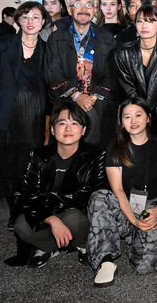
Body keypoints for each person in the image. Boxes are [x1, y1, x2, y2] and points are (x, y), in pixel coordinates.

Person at [9, 100, 106, 268]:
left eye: (74, 123)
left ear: (83, 130)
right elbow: (24, 195)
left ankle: (81, 243)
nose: (68, 129)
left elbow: (88, 196)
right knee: (21, 226)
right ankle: (50, 246)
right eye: (62, 123)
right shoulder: (38, 156)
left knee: (73, 219)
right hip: (47, 214)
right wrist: (51, 219)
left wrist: (48, 200)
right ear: (53, 130)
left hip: (77, 214)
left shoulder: (95, 155)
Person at [86, 98, 157, 287]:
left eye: (138, 115)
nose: (133, 121)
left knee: (146, 267)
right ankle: (106, 261)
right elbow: (119, 191)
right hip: (124, 208)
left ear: (148, 118)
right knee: (100, 197)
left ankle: (137, 241)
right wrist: (134, 221)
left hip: (150, 208)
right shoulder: (115, 148)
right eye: (127, 117)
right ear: (121, 121)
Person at [0, 2, 49, 227]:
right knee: (8, 163)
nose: (30, 22)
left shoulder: (48, 49)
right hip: (7, 113)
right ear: (18, 20)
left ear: (43, 21)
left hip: (34, 115)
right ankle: (14, 212)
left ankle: (27, 208)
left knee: (30, 164)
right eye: (25, 17)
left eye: (35, 17)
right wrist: (2, 99)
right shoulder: (2, 44)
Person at [45, 0, 117, 145]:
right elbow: (53, 72)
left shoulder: (107, 38)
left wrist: (92, 99)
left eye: (89, 5)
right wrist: (77, 96)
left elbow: (111, 73)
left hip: (98, 106)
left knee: (97, 151)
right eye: (78, 4)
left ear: (95, 9)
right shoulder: (56, 38)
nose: (84, 9)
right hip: (65, 104)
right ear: (70, 9)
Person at [115, 4, 157, 136]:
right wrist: (139, 117)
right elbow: (128, 91)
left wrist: (153, 122)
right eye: (140, 21)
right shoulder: (123, 53)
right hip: (132, 118)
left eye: (150, 21)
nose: (144, 26)